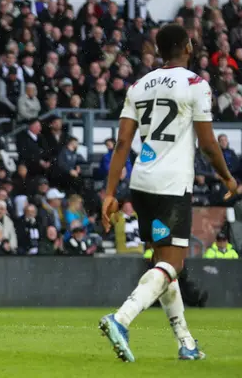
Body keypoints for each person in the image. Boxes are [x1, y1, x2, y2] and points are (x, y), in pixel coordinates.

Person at [100, 24, 237, 362]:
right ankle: (121, 318)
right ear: (188, 46)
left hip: (142, 181)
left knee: (162, 263)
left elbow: (121, 144)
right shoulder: (195, 85)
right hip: (172, 184)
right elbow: (207, 143)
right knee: (173, 264)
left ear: (160, 50)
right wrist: (228, 178)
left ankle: (186, 343)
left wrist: (109, 193)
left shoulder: (138, 86)